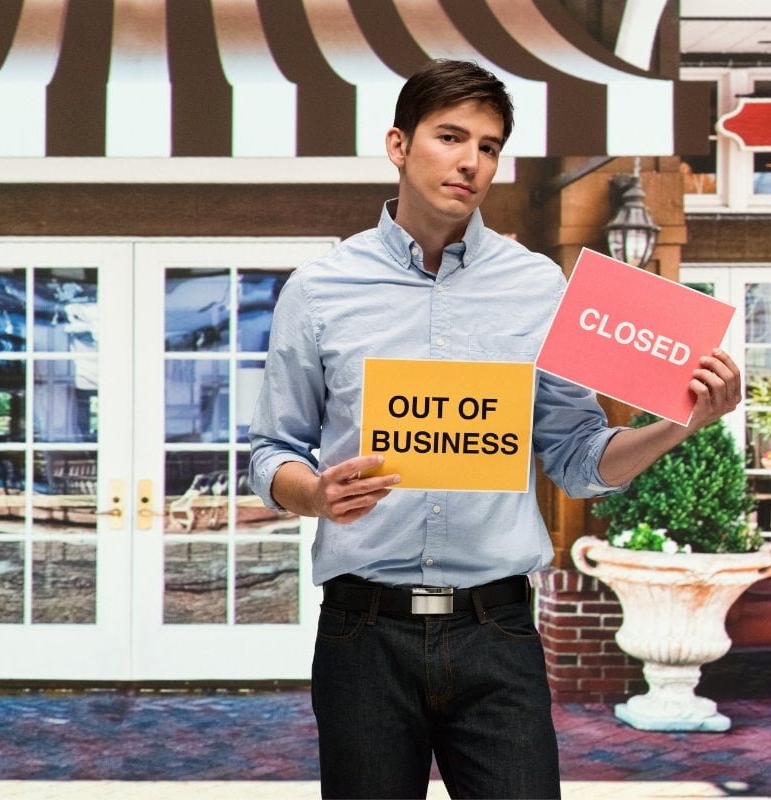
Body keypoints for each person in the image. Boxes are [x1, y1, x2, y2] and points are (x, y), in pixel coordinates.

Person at [247, 59, 741, 800]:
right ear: (399, 145)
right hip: (364, 634)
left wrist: (680, 422)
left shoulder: (539, 285)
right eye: (451, 136)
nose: (472, 160)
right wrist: (315, 494)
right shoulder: (320, 289)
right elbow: (271, 451)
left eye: (489, 145)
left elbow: (576, 458)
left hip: (498, 631)